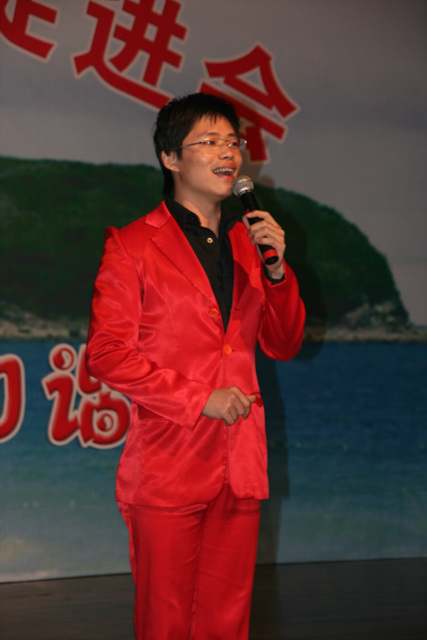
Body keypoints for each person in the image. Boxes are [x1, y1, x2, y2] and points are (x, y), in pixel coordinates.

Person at [86, 92, 305, 640]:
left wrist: (278, 274)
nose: (227, 152)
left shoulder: (249, 243)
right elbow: (106, 353)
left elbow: (283, 344)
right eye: (209, 142)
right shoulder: (133, 245)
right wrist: (199, 398)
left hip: (240, 459)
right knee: (165, 622)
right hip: (168, 463)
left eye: (233, 141)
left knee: (227, 621)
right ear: (171, 158)